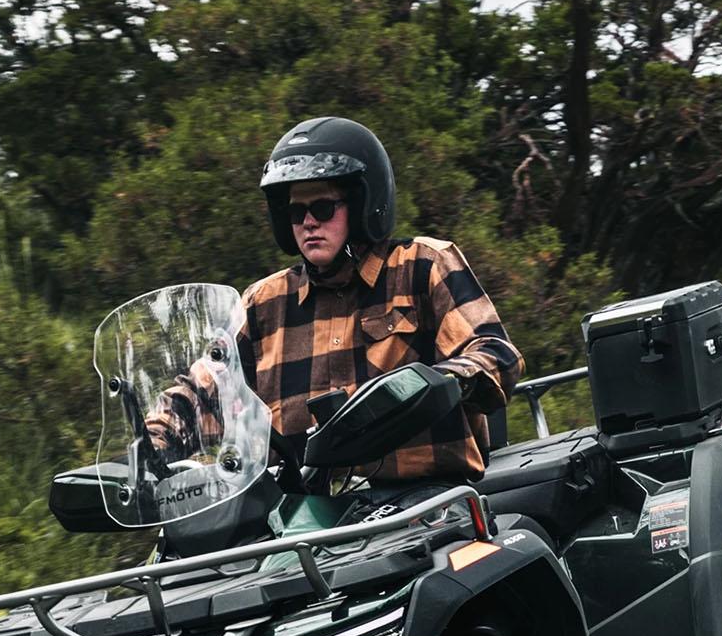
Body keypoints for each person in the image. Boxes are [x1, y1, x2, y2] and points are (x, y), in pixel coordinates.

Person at [148, 116, 523, 483]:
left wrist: (430, 385)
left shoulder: (423, 266)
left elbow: (495, 354)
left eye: (323, 208)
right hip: (305, 517)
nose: (309, 222)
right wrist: (146, 449)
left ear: (363, 203)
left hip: (426, 503)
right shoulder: (263, 303)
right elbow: (200, 392)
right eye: (296, 212)